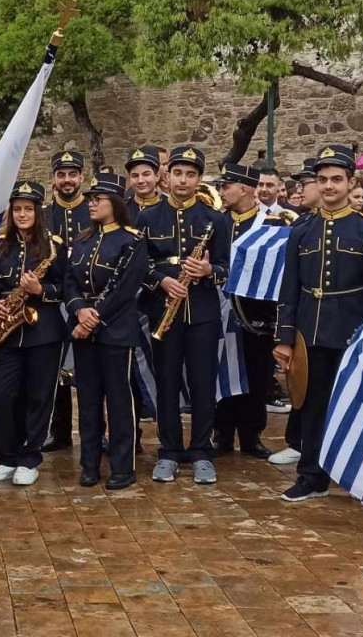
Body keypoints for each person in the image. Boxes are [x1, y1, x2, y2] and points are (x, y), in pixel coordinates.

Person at [274, 146, 363, 505]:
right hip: (310, 331)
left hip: (353, 333)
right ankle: (312, 476)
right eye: (322, 180)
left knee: (358, 407)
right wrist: (284, 337)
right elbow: (289, 286)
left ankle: (361, 479)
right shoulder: (301, 231)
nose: (328, 186)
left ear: (351, 182)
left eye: (336, 179)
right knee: (312, 407)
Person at [137, 146, 231, 484]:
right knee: (167, 383)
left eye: (191, 174)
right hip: (164, 311)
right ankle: (170, 451)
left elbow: (226, 266)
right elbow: (139, 265)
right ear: (167, 176)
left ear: (199, 179)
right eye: (178, 173)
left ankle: (201, 450)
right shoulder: (147, 217)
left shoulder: (215, 219)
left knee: (203, 383)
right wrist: (161, 279)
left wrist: (208, 270)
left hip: (202, 313)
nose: (183, 180)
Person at [0, 181, 71, 488]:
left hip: (42, 331)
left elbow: (67, 288)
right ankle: (6, 456)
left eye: (28, 209)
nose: (22, 214)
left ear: (38, 211)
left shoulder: (53, 246)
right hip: (6, 330)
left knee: (38, 396)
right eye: (17, 209)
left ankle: (29, 458)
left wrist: (40, 290)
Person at [66, 173, 148, 489]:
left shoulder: (132, 239)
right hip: (84, 326)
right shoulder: (83, 240)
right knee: (87, 400)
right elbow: (70, 281)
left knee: (118, 400)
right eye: (90, 198)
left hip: (115, 330)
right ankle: (89, 465)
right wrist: (78, 310)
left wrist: (92, 318)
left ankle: (122, 467)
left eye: (97, 198)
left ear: (114, 202)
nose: (91, 203)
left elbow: (126, 288)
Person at [213, 163, 282, 460]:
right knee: (223, 371)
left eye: (226, 186)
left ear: (244, 188)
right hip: (221, 309)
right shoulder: (217, 222)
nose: (221, 192)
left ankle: (251, 435)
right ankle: (222, 432)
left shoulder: (272, 222)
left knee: (255, 373)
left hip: (256, 313)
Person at [43, 150, 91, 453]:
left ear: (81, 177)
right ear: (54, 179)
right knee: (56, 369)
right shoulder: (44, 215)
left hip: (89, 300)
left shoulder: (95, 209)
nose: (67, 180)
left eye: (72, 174)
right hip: (53, 300)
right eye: (61, 174)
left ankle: (96, 432)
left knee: (91, 369)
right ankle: (59, 431)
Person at [124, 145, 166, 213]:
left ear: (157, 176)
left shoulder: (170, 208)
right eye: (135, 176)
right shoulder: (122, 211)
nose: (140, 180)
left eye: (146, 174)